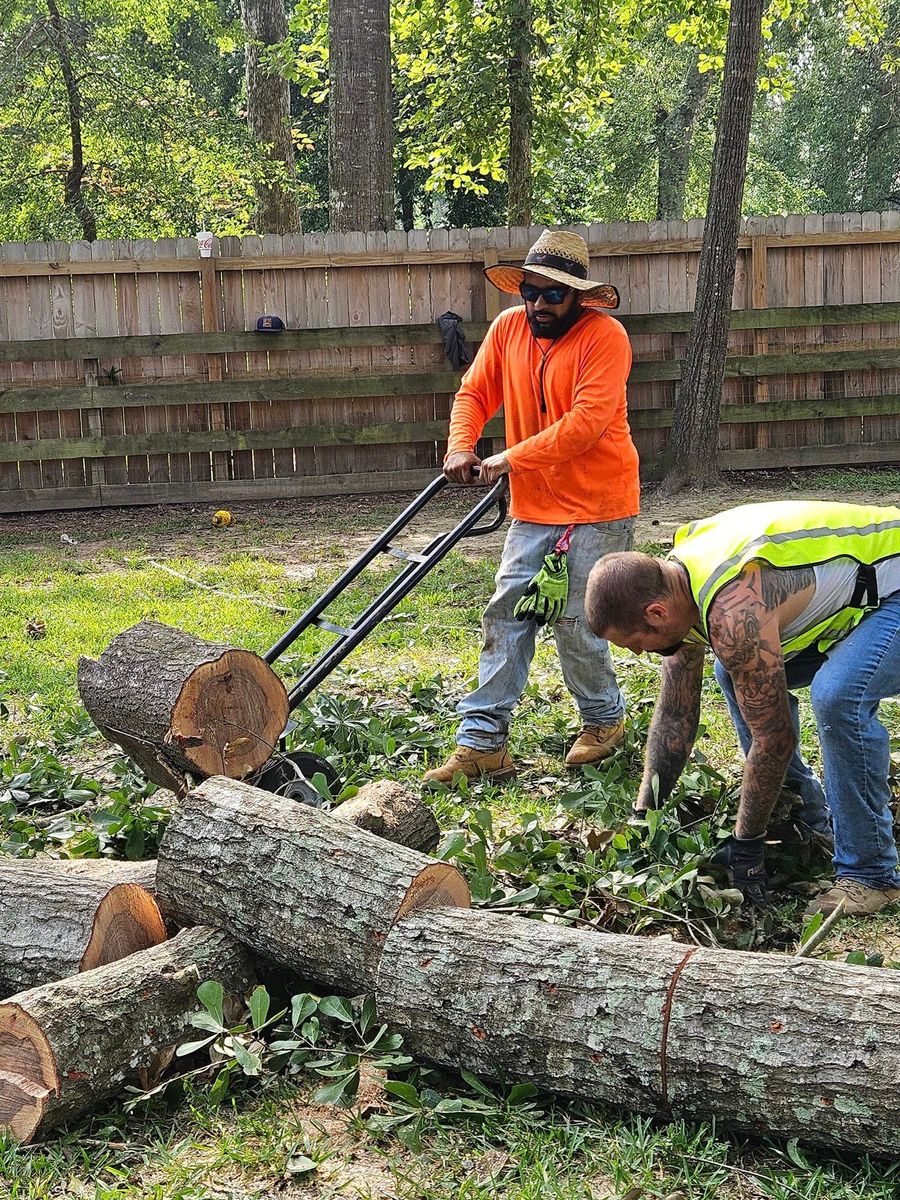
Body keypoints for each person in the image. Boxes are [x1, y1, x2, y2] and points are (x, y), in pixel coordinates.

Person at [584, 500, 900, 916]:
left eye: (636, 644)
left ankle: (871, 874)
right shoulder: (679, 586)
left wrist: (746, 845)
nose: (642, 653)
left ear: (655, 613)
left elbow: (774, 738)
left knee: (838, 695)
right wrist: (647, 815)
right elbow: (676, 717)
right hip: (860, 598)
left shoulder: (733, 611)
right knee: (731, 671)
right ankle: (808, 819)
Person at [423, 229, 640, 785]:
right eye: (529, 293)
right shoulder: (507, 329)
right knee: (508, 612)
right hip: (535, 505)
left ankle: (603, 720)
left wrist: (505, 460)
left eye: (551, 296)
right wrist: (461, 446)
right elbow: (473, 393)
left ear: (577, 296)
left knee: (577, 618)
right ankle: (482, 742)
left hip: (599, 504)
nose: (537, 305)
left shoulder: (605, 338)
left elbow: (584, 427)